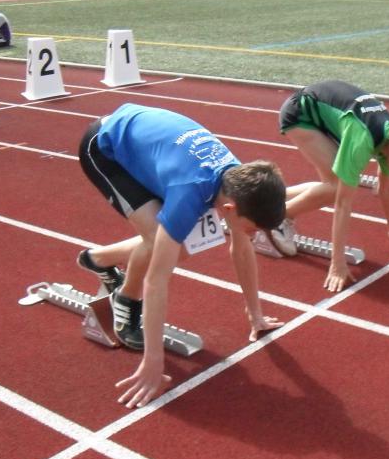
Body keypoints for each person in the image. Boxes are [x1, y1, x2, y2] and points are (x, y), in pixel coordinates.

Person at [77, 103, 287, 408]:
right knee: (158, 243)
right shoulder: (189, 194)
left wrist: (255, 315)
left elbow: (241, 249)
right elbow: (157, 281)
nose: (253, 236)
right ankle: (125, 300)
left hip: (153, 146)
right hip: (105, 147)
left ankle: (98, 259)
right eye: (252, 228)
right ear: (229, 209)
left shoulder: (241, 182)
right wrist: (153, 361)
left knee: (181, 246)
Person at [273, 80, 389, 292]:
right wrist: (337, 263)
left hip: (324, 109)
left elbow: (387, 189)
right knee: (336, 189)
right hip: (300, 115)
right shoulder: (362, 139)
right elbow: (343, 205)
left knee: (331, 185)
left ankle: (272, 198)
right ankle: (278, 218)